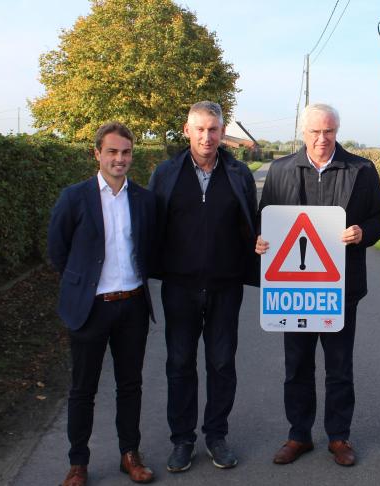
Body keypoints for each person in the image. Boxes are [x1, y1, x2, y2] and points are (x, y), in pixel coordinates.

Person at [256, 103, 380, 467]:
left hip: (340, 289)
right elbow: (264, 221)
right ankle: (298, 435)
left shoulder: (361, 169)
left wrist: (364, 232)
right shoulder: (283, 170)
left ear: (337, 131)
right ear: (303, 133)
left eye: (328, 131)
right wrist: (261, 240)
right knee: (297, 365)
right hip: (293, 291)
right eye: (314, 132)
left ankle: (339, 437)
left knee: (339, 366)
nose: (321, 139)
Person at [148, 101, 258, 472]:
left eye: (214, 129)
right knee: (179, 363)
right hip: (180, 287)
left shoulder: (239, 173)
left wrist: (257, 246)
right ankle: (182, 440)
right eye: (200, 129)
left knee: (222, 363)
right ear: (187, 131)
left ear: (223, 131)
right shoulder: (165, 173)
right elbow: (151, 225)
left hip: (226, 287)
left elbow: (251, 224)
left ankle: (216, 435)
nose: (207, 137)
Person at [47, 122, 157, 486]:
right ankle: (78, 463)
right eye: (112, 151)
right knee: (83, 388)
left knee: (130, 385)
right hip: (91, 308)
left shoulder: (143, 199)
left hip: (133, 307)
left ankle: (130, 455)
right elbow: (58, 250)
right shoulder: (74, 197)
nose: (119, 159)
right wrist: (83, 285)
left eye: (125, 152)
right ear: (97, 154)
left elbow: (148, 248)